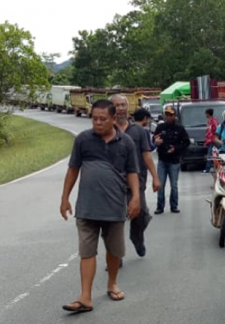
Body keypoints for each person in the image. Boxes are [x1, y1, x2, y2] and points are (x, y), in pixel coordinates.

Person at [60, 100, 141, 313]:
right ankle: (85, 297)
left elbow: (133, 172)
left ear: (114, 119)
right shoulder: (83, 140)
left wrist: (135, 198)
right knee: (87, 251)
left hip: (114, 207)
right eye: (94, 118)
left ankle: (112, 283)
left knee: (114, 251)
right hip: (86, 208)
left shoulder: (126, 143)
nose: (97, 123)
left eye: (103, 119)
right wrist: (65, 198)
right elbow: (73, 170)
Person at [111, 96, 161, 257]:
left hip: (136, 183)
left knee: (141, 215)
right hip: (112, 184)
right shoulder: (106, 130)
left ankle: (137, 237)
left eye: (123, 105)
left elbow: (146, 155)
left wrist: (155, 177)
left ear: (128, 107)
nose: (120, 108)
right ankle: (115, 256)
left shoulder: (138, 131)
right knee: (114, 222)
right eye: (116, 105)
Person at [153, 106, 190, 214]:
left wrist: (176, 149)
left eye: (171, 115)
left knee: (174, 186)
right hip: (162, 160)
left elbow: (186, 142)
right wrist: (156, 141)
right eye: (167, 115)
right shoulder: (160, 127)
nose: (168, 117)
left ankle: (174, 206)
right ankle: (160, 206)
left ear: (175, 116)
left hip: (174, 161)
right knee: (160, 185)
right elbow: (154, 139)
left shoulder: (180, 129)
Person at [203, 108, 219, 173]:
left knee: (210, 155)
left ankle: (207, 169)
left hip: (213, 140)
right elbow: (208, 132)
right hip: (209, 141)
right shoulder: (209, 122)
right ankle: (211, 167)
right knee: (210, 155)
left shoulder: (213, 121)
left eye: (206, 113)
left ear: (208, 114)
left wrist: (215, 138)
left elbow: (216, 130)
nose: (205, 115)